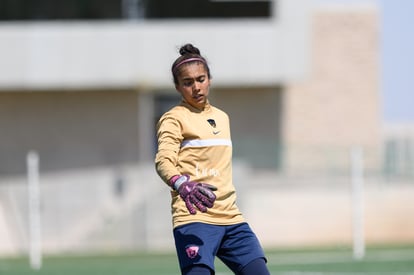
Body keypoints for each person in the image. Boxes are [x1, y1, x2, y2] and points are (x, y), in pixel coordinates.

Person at [155, 43, 270, 275]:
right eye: (187, 82)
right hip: (194, 219)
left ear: (210, 79)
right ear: (178, 87)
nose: (196, 87)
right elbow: (163, 161)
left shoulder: (222, 117)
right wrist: (181, 184)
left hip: (231, 219)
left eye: (201, 79)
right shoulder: (173, 119)